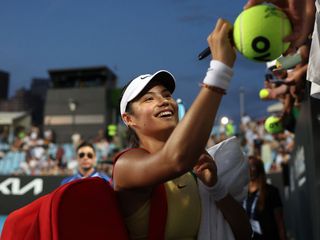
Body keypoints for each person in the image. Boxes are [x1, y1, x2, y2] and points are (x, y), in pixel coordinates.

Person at [113, 19, 252, 239]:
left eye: (166, 95)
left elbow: (244, 233)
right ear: (129, 119)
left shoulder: (191, 168)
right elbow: (175, 159)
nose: (164, 101)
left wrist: (214, 186)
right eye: (148, 99)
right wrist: (220, 71)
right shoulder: (126, 166)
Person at [244, 0, 320, 99]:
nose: (276, 74)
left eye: (275, 71)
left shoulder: (282, 64)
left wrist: (298, 72)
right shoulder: (283, 65)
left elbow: (303, 54)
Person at [243, 156, 287, 240]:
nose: (248, 170)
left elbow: (280, 222)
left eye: (252, 166)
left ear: (259, 169)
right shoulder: (242, 193)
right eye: (246, 167)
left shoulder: (271, 191)